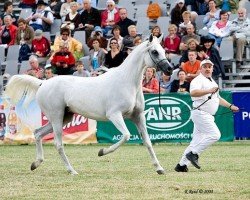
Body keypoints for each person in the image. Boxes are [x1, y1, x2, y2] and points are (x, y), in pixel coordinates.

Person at [175, 59, 239, 172]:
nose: (208, 68)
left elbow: (217, 98)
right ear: (200, 69)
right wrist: (209, 90)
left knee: (195, 141)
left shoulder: (212, 82)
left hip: (206, 114)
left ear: (212, 69)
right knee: (215, 135)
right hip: (201, 113)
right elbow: (193, 93)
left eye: (210, 66)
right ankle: (194, 154)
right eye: (205, 66)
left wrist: (230, 106)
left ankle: (181, 165)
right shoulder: (198, 80)